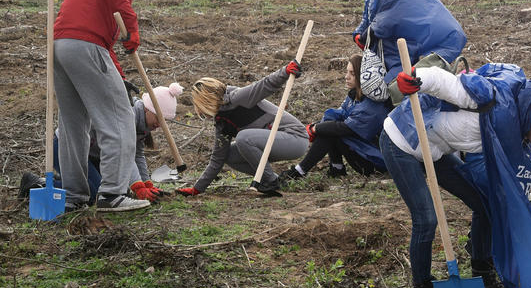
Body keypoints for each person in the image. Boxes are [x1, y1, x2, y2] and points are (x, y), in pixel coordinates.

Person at [380, 62, 531, 288]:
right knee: (426, 219)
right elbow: (444, 82)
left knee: (486, 204)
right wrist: (413, 78)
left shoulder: (511, 129)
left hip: (435, 151)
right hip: (402, 140)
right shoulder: (490, 100)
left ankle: (484, 275)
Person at [52, 0, 155, 212]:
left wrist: (118, 76)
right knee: (120, 119)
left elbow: (105, 45)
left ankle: (73, 196)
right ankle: (112, 194)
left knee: (72, 125)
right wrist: (133, 27)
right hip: (86, 46)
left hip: (62, 46)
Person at [20, 83, 181, 205]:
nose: (161, 125)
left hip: (93, 155)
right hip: (68, 147)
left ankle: (61, 181)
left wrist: (147, 183)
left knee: (119, 189)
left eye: (165, 121)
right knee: (93, 194)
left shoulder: (142, 124)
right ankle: (37, 184)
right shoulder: (128, 115)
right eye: (159, 119)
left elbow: (136, 155)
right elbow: (124, 152)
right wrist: (138, 187)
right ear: (148, 109)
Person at [353, 0, 466, 99]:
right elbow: (373, 6)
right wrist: (361, 30)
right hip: (434, 36)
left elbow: (390, 17)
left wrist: (366, 36)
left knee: (399, 88)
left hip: (436, 40)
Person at [180, 61, 308, 196]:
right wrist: (197, 189)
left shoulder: (237, 97)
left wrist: (286, 71)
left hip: (295, 138)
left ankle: (270, 181)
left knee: (244, 138)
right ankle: (276, 180)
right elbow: (218, 158)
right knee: (229, 155)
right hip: (275, 142)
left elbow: (265, 84)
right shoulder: (222, 121)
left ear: (205, 101)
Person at [281, 55, 389, 181]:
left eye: (352, 74)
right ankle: (336, 167)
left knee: (331, 131)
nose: (346, 77)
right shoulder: (355, 96)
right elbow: (337, 115)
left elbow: (346, 128)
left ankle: (300, 171)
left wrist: (315, 128)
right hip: (364, 152)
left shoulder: (372, 106)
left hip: (375, 162)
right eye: (347, 72)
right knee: (330, 126)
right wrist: (318, 125)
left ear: (364, 77)